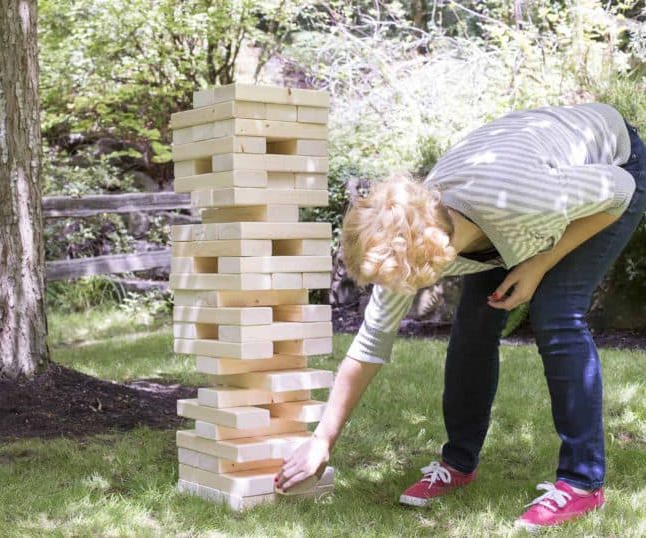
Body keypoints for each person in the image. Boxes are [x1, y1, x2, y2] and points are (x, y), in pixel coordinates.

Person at [274, 103, 645, 530]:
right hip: (523, 185)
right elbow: (371, 341)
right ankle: (458, 464)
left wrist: (540, 263)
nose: (392, 291)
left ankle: (582, 484)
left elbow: (620, 189)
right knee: (472, 330)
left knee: (555, 313)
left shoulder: (524, 202)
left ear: (439, 259)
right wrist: (322, 438)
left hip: (613, 165)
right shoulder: (415, 227)